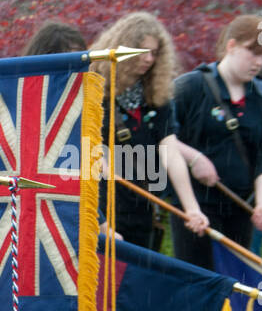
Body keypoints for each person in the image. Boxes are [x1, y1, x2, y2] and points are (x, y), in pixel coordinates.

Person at [173, 15, 262, 270]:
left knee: (237, 287)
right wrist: (194, 157)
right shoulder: (190, 87)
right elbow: (159, 136)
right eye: (252, 52)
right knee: (198, 284)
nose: (258, 62)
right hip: (194, 210)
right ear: (231, 46)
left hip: (242, 209)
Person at [89, 12, 207, 251]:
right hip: (100, 206)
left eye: (154, 53)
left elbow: (170, 150)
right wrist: (102, 226)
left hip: (141, 206)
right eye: (143, 51)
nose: (149, 59)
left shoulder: (157, 96)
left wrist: (191, 208)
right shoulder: (93, 87)